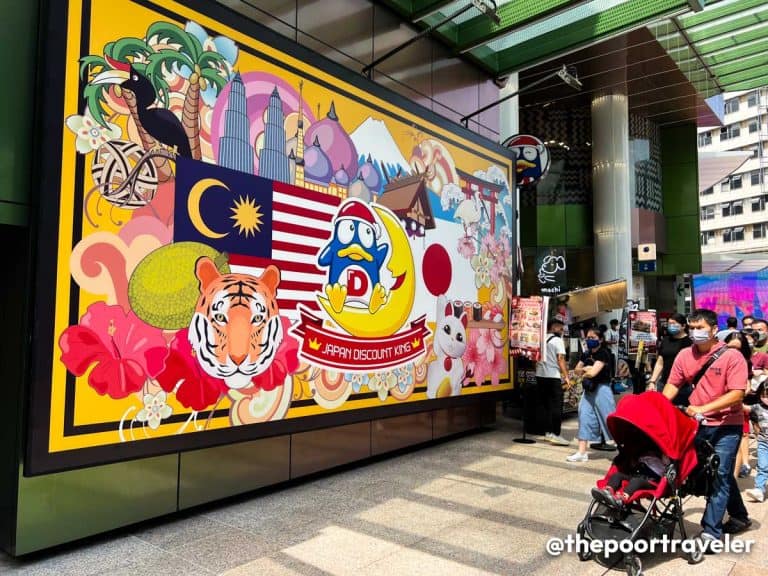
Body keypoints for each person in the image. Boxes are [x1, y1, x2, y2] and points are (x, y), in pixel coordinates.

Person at [662, 309, 751, 544]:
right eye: (691, 328)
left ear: (713, 330)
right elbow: (673, 384)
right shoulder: (684, 355)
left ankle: (711, 532)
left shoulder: (732, 356)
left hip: (727, 425)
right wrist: (658, 405)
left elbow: (737, 394)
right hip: (697, 424)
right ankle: (740, 516)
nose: (695, 332)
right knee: (718, 472)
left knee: (719, 475)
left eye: (699, 328)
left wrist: (703, 408)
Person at [566, 328, 616, 463]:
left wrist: (585, 371)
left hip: (602, 390)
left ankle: (626, 450)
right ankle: (582, 452)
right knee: (584, 417)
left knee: (610, 420)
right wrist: (585, 369)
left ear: (600, 339)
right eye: (588, 337)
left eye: (593, 337)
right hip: (588, 391)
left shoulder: (603, 353)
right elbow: (577, 370)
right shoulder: (586, 353)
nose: (589, 340)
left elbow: (593, 373)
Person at [592, 447, 671, 507]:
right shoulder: (645, 454)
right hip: (636, 474)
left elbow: (668, 462)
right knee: (617, 475)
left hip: (651, 481)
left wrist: (664, 455)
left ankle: (622, 498)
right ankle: (608, 491)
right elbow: (634, 464)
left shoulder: (663, 461)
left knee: (636, 481)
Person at [535, 319, 571, 446]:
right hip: (553, 376)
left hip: (540, 375)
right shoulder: (557, 340)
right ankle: (556, 434)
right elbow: (560, 359)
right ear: (553, 327)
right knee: (556, 405)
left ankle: (548, 433)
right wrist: (566, 376)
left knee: (546, 405)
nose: (562, 330)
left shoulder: (540, 339)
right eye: (560, 328)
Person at [725, 331, 753, 479]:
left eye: (738, 349)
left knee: (737, 440)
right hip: (716, 408)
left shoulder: (745, 363)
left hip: (736, 407)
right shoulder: (716, 360)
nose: (733, 352)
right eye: (730, 347)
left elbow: (747, 386)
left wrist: (737, 392)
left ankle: (733, 478)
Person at [647, 313, 691, 396]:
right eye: (669, 324)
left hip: (683, 386)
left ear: (683, 326)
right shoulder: (666, 340)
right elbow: (660, 363)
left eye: (674, 323)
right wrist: (652, 381)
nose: (671, 326)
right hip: (664, 383)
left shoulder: (690, 343)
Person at [744, 382, 768, 503]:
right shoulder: (757, 407)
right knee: (762, 466)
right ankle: (759, 489)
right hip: (764, 443)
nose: (766, 399)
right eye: (763, 396)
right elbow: (745, 408)